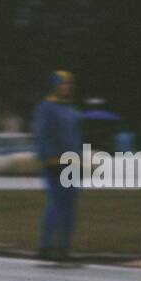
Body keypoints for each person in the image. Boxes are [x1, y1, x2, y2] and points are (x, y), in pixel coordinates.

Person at [32, 69, 83, 263]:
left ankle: (64, 247)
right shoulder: (47, 107)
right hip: (54, 164)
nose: (67, 87)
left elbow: (76, 138)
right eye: (63, 84)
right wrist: (48, 158)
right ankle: (46, 245)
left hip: (71, 164)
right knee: (56, 204)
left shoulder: (71, 109)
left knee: (70, 206)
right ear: (55, 85)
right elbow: (41, 135)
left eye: (69, 84)